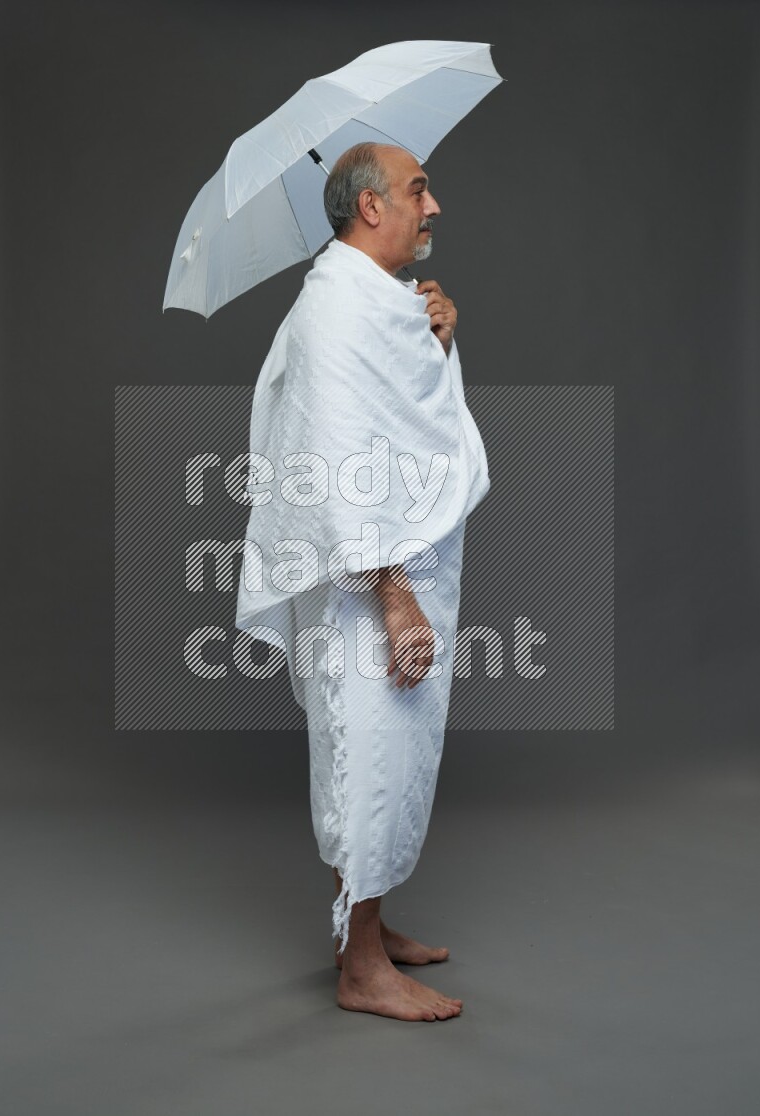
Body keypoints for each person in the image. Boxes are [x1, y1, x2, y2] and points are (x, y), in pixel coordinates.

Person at [235, 141, 490, 1021]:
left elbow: (414, 427)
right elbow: (335, 463)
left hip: (399, 571)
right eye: (419, 189)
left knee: (392, 755)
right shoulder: (334, 315)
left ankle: (368, 929)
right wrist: (394, 593)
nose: (435, 206)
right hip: (369, 583)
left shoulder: (379, 304)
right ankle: (360, 973)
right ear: (371, 207)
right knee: (367, 758)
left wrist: (436, 340)